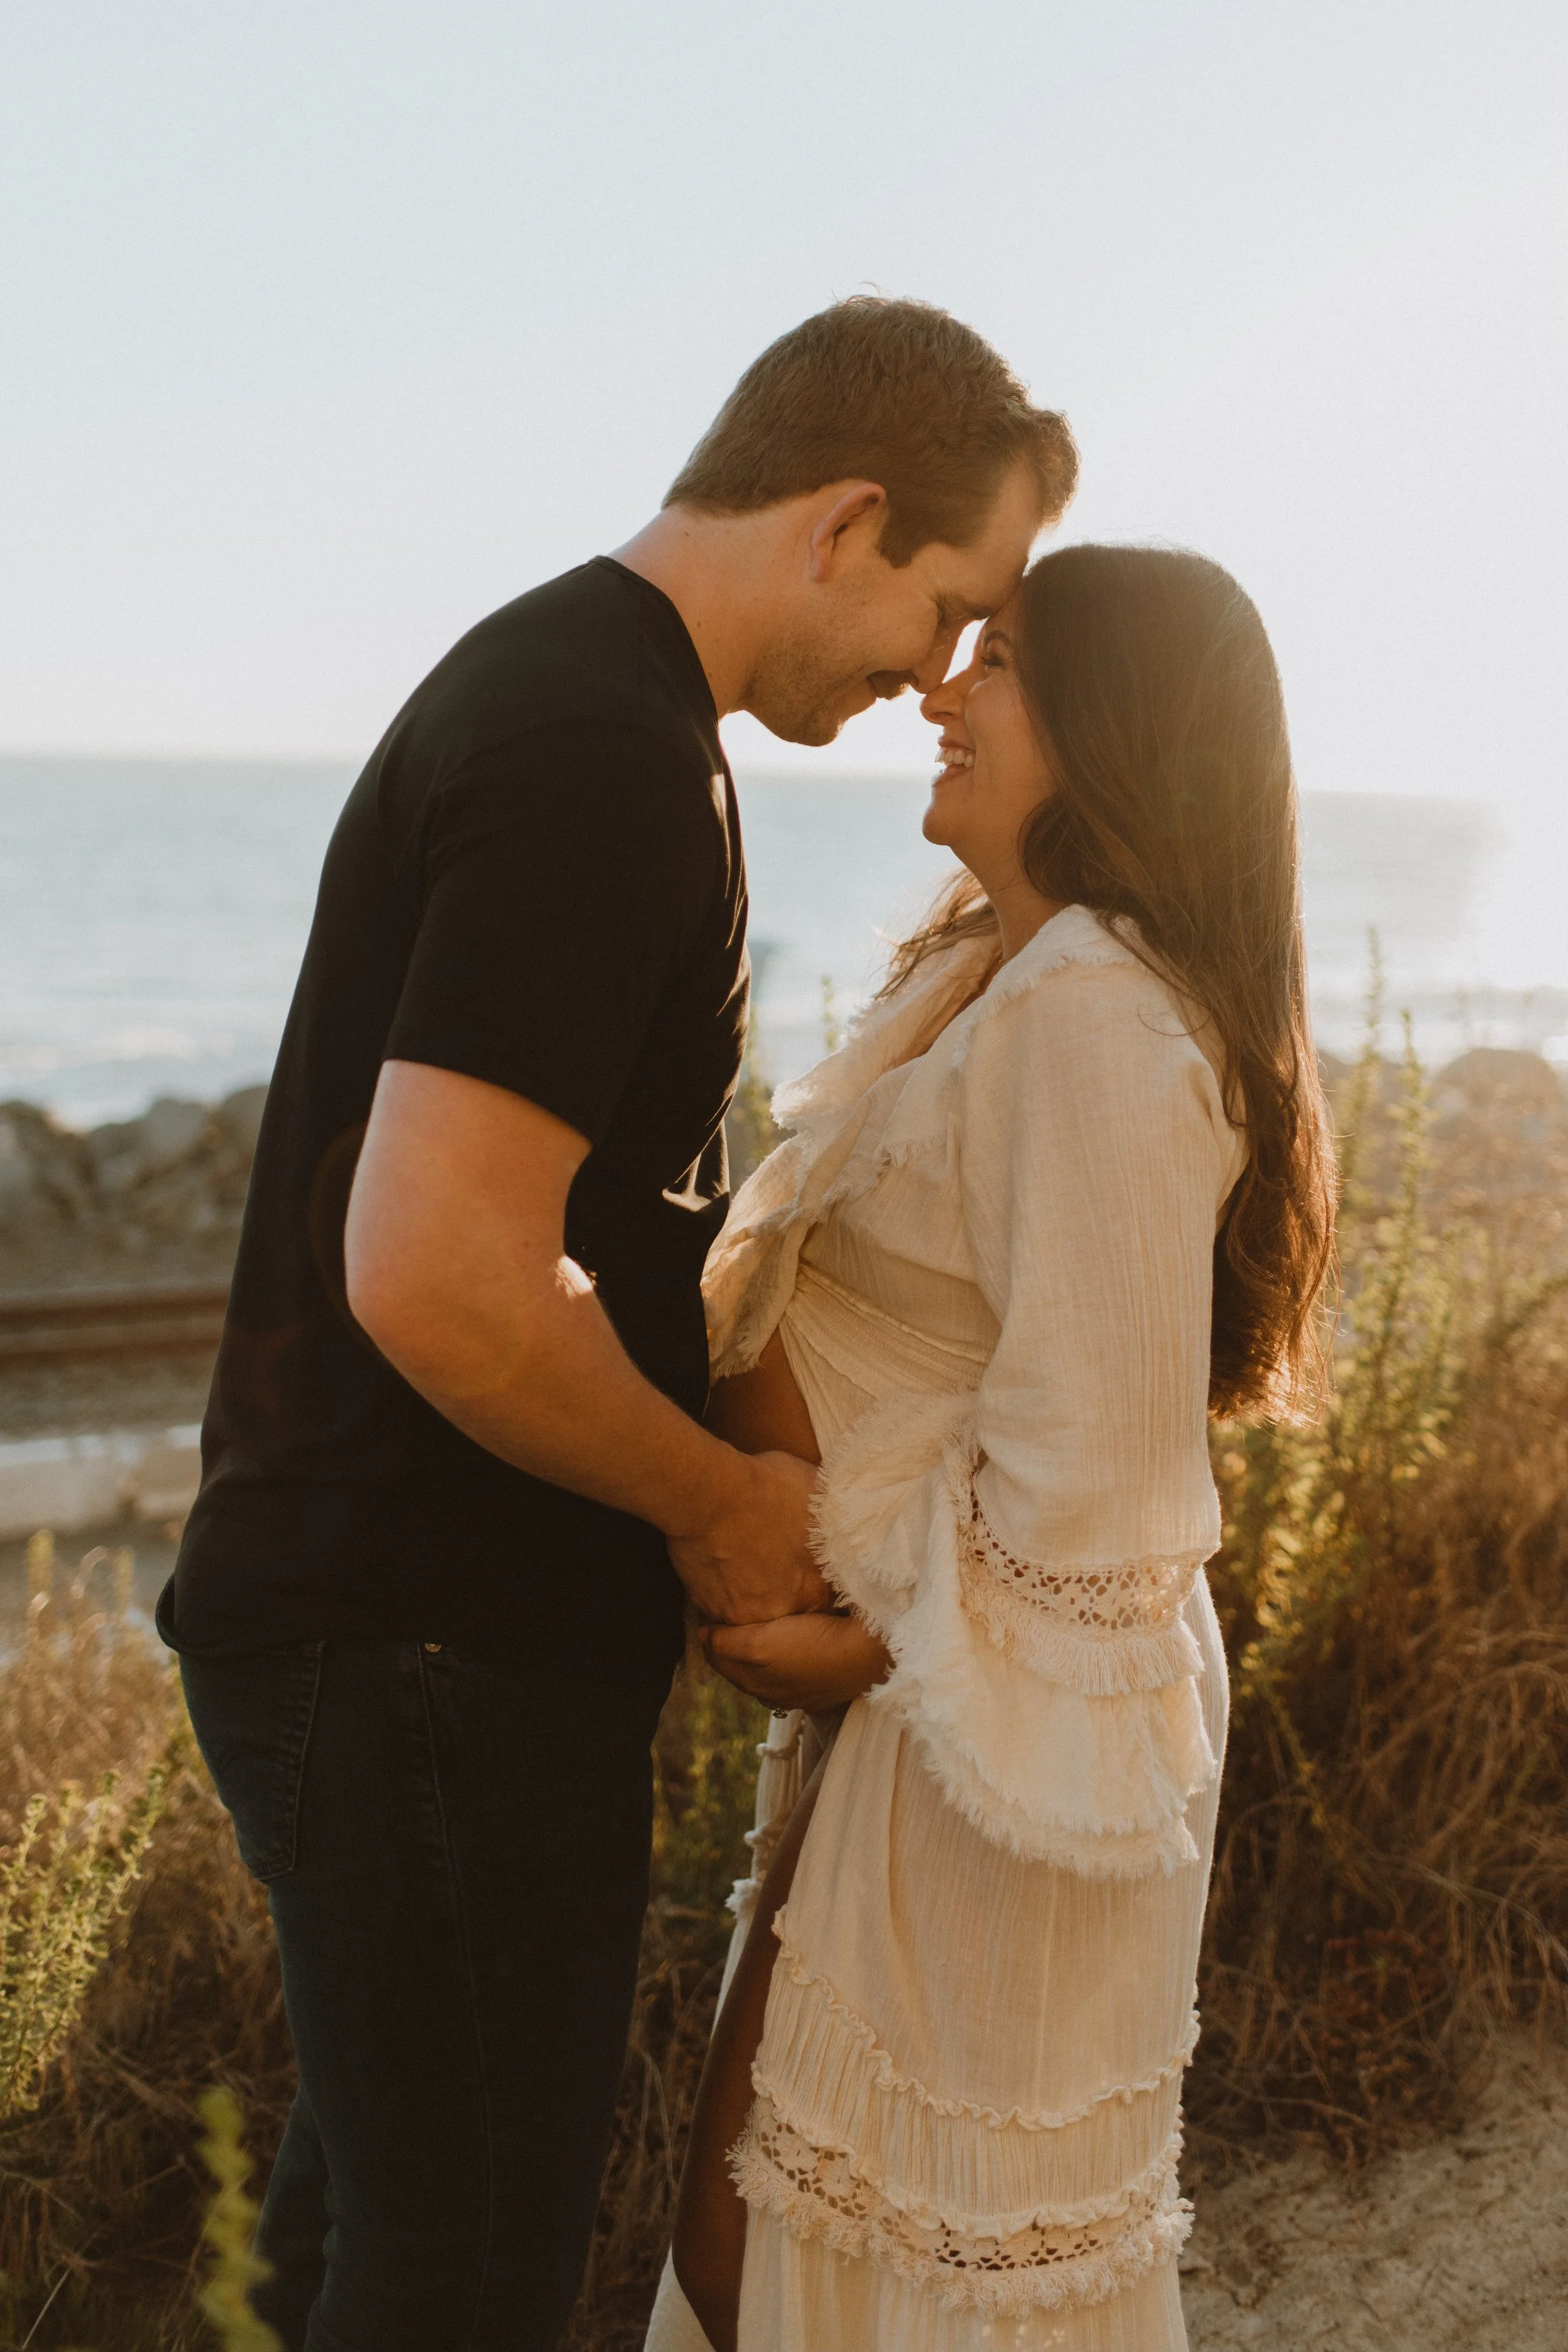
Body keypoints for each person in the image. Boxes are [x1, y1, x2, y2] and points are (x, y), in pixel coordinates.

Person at [155, 296, 1078, 2351]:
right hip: (424, 1650)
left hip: (408, 1641)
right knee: (456, 2282)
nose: (936, 669)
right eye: (947, 603)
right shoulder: (597, 750)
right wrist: (718, 1504)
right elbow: (442, 1266)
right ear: (847, 521)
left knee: (361, 2255)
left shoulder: (600, 711)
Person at [645, 544, 1335, 2352]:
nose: (943, 688)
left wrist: (859, 1641)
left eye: (1004, 663)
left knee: (840, 2270)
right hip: (960, 1710)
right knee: (796, 2259)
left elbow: (1097, 1484)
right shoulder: (1001, 972)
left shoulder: (1097, 1015)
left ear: (1115, 732)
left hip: (1009, 1722)